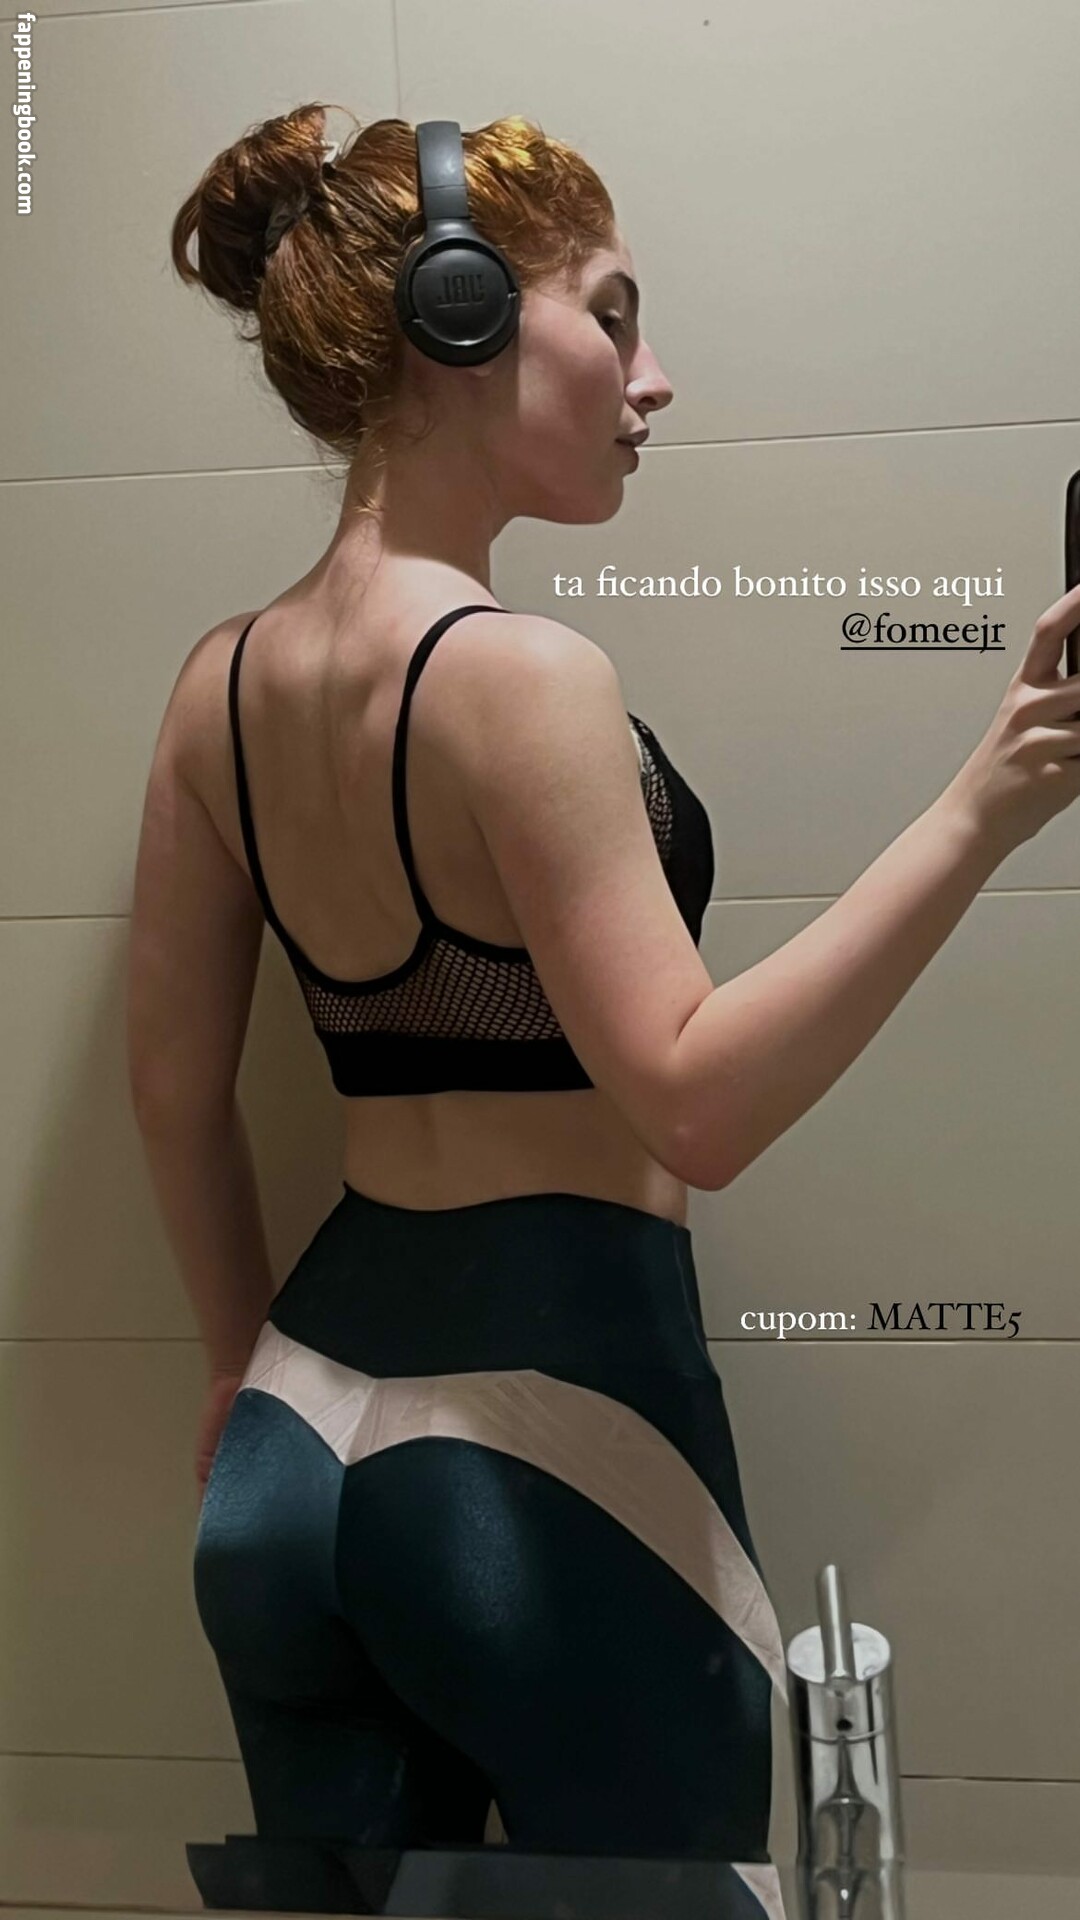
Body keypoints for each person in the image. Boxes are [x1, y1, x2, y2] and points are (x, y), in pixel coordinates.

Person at [130, 100, 1080, 1893]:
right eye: (615, 314)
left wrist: (231, 1371)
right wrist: (989, 803)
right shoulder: (522, 676)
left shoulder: (215, 686)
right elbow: (696, 1104)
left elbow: (174, 1097)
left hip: (287, 1437)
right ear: (465, 315)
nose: (654, 380)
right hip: (548, 1427)